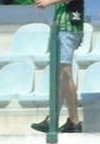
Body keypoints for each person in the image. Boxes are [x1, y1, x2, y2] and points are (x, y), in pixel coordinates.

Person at [31, 0, 84, 135]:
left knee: (65, 74)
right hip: (64, 28)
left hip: (68, 29)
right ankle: (63, 120)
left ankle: (71, 120)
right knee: (63, 75)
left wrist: (47, 2)